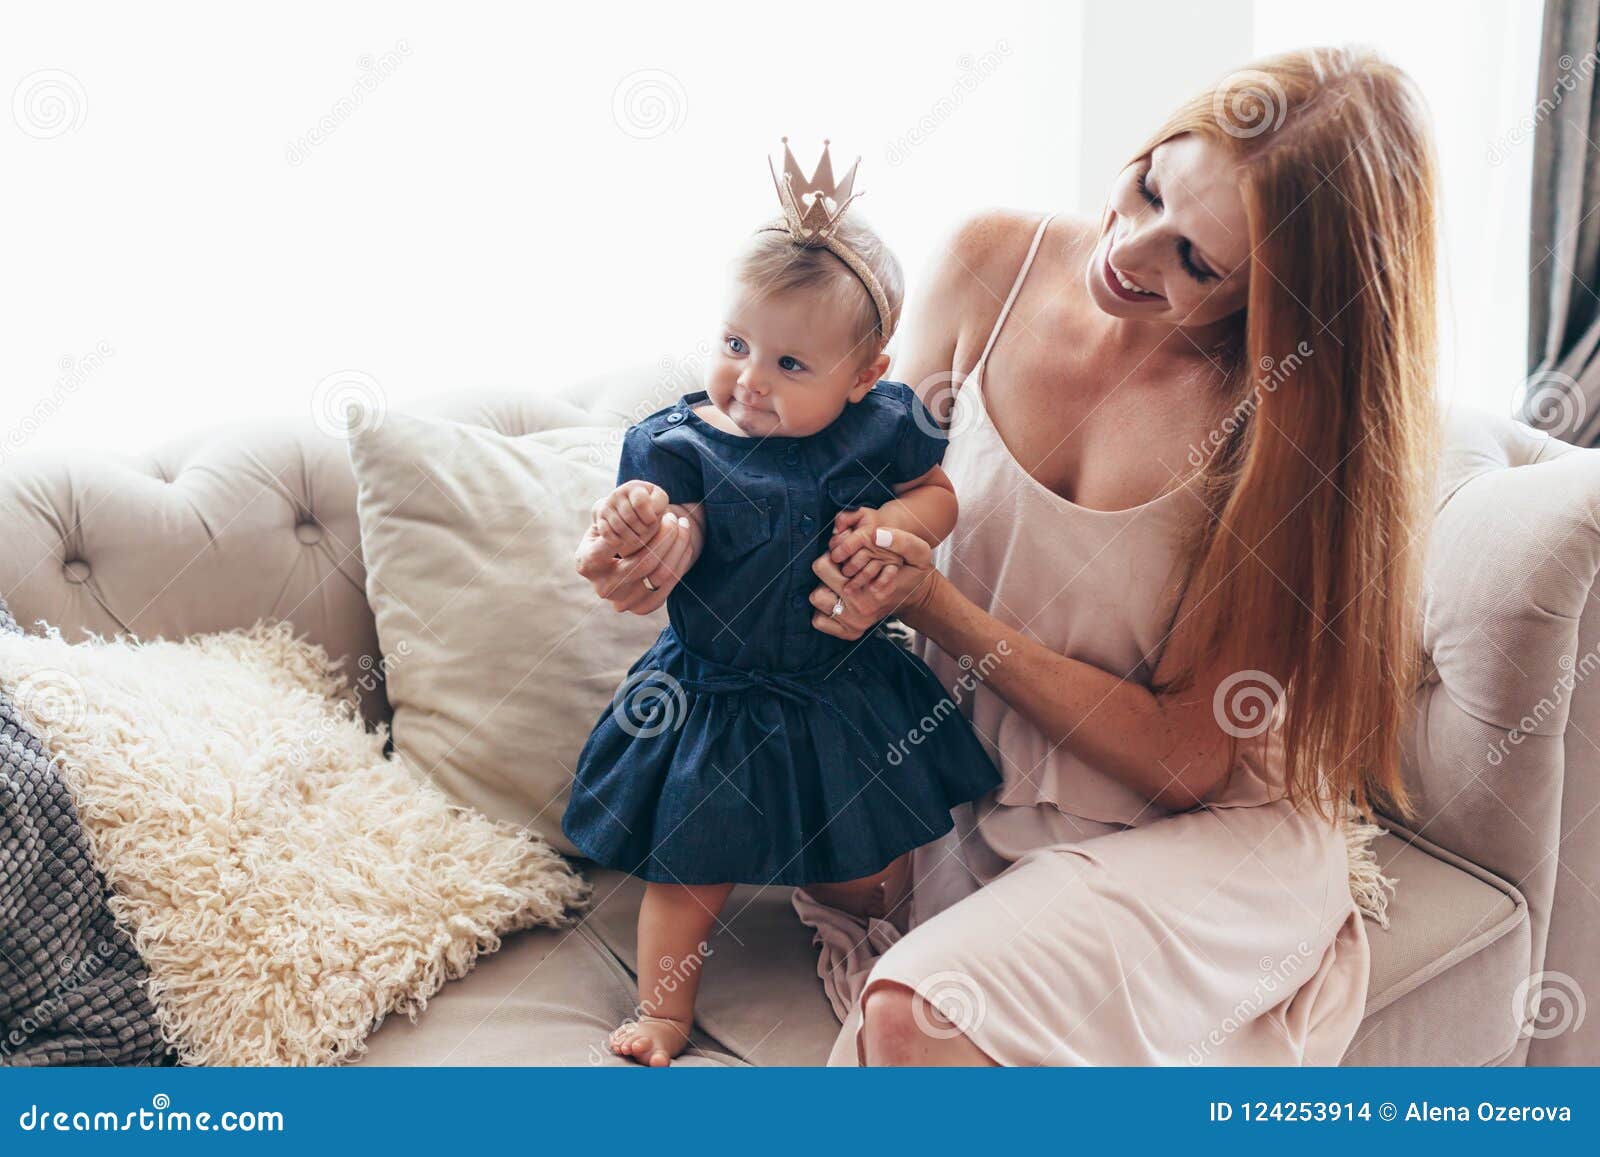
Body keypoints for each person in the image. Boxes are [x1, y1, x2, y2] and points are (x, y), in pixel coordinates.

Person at [788, 46, 1441, 1065]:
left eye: (1196, 262)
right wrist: (693, 535)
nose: (1129, 253)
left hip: (1191, 835)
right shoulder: (987, 265)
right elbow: (855, 500)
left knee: (915, 1009)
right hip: (973, 787)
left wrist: (942, 611)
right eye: (1146, 188)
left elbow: (1186, 760)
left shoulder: (1275, 430)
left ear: (1276, 303)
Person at [564, 141, 1000, 1066]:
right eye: (735, 345)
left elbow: (941, 493)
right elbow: (658, 524)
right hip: (713, 696)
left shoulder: (879, 427)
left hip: (838, 683)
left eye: (790, 363)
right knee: (691, 869)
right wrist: (639, 518)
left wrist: (895, 522)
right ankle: (664, 1015)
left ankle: (866, 921)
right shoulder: (682, 444)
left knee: (873, 864)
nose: (750, 379)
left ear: (864, 373)